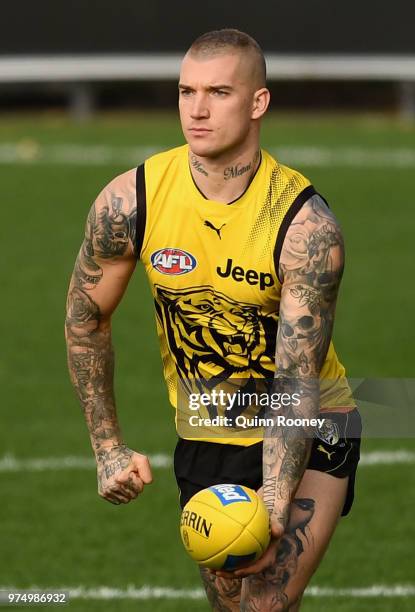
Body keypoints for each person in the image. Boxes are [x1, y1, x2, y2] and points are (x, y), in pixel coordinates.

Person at [65, 28, 361, 611]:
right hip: (206, 425)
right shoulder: (131, 202)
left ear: (258, 103)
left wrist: (274, 507)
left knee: (263, 606)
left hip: (311, 421)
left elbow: (294, 379)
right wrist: (107, 447)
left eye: (219, 92)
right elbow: (86, 320)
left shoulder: (305, 228)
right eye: (185, 91)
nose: (196, 110)